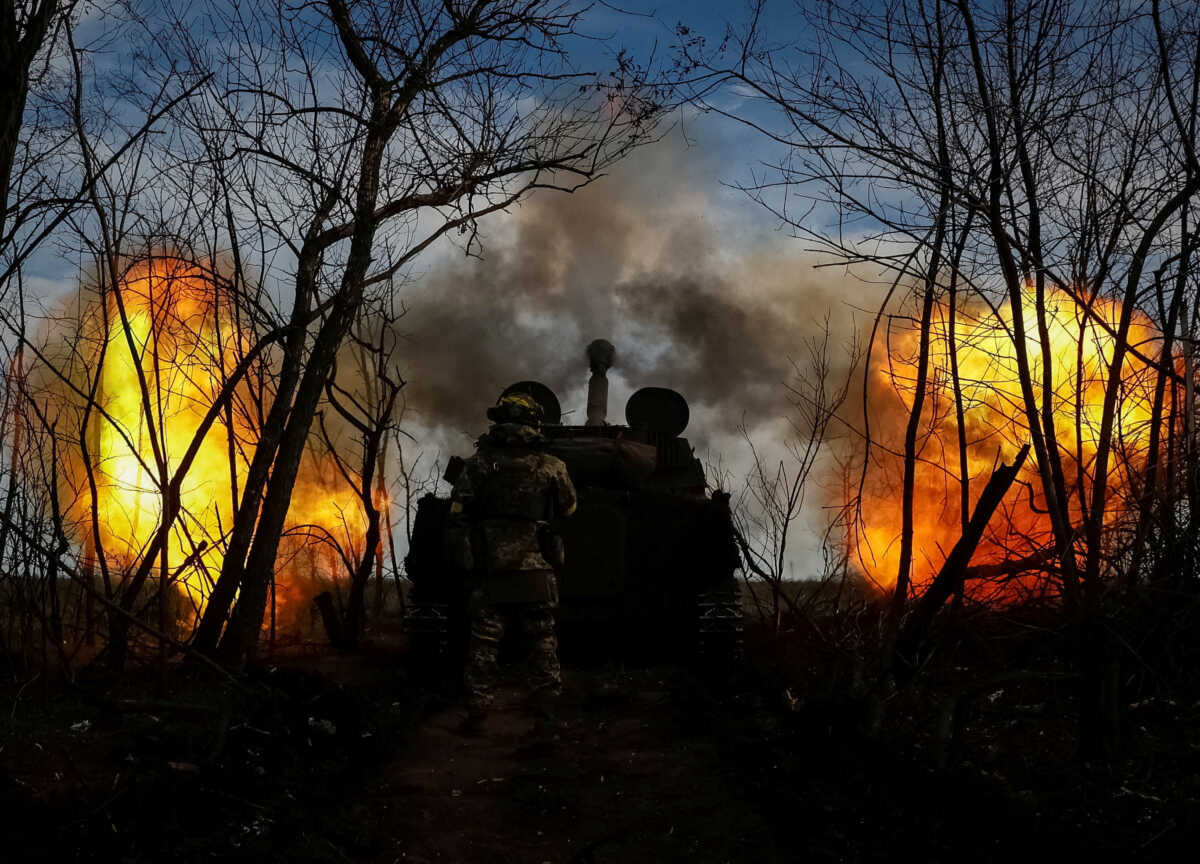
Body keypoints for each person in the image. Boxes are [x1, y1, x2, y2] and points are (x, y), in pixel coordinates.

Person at [447, 392, 577, 738]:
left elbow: (458, 511)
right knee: (543, 643)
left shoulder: (478, 464)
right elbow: (568, 509)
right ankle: (547, 719)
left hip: (491, 569)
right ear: (534, 423)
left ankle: (476, 714)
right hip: (535, 570)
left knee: (483, 645)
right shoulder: (551, 466)